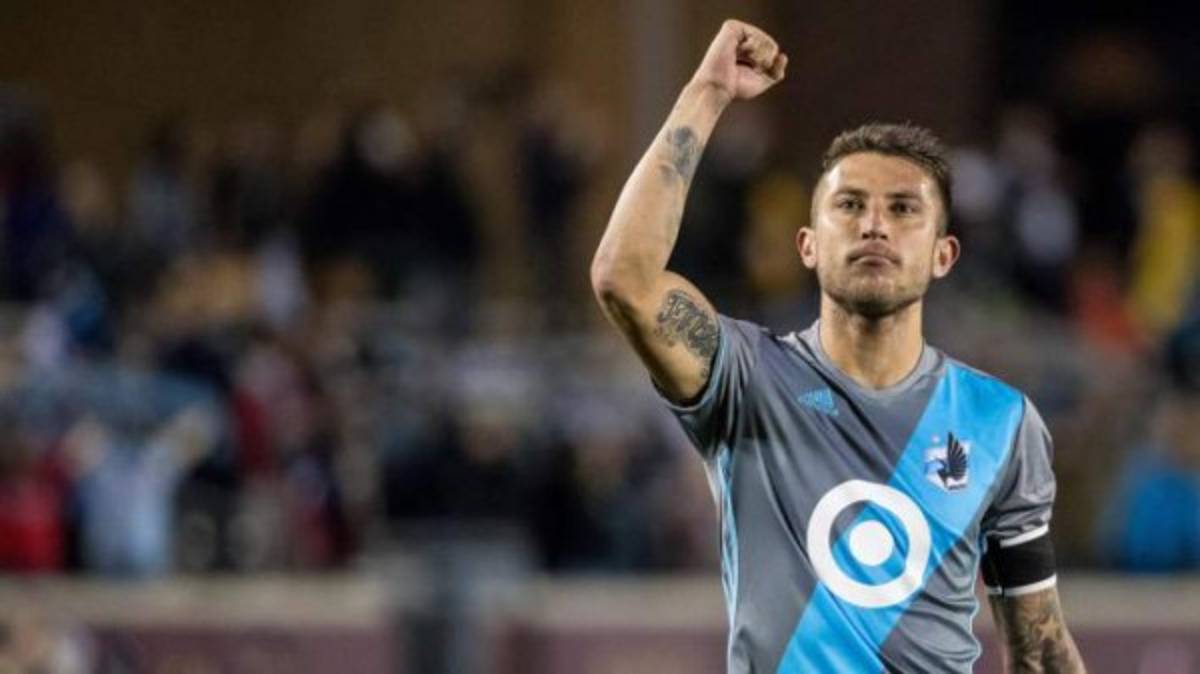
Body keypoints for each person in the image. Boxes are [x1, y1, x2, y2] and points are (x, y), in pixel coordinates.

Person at [590, 19, 1085, 673]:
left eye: (903, 209)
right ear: (808, 245)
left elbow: (1041, 651)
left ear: (944, 255)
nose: (874, 225)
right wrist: (708, 91)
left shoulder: (1003, 422)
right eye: (849, 205)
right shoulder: (746, 380)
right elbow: (625, 279)